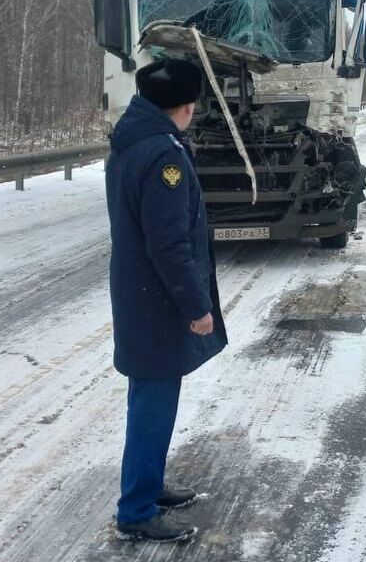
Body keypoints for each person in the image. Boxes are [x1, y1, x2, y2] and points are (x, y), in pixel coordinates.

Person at [105, 57, 229, 543]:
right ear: (184, 105)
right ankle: (136, 509)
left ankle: (148, 487)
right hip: (156, 301)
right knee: (153, 404)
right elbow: (170, 244)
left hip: (140, 295)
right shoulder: (164, 156)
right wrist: (197, 309)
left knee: (150, 397)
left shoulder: (132, 142)